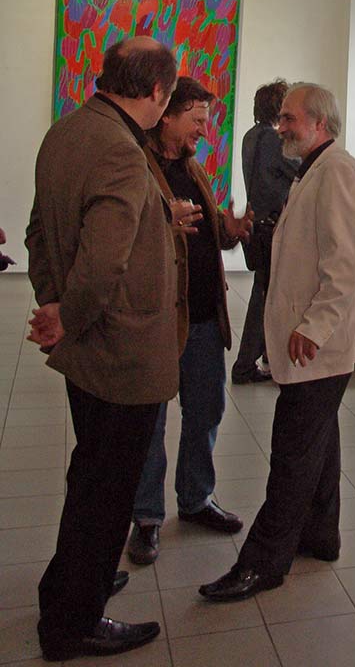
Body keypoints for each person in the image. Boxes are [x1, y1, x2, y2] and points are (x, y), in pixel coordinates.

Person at [25, 36, 180, 661]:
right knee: (107, 490)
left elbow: (38, 231)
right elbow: (104, 261)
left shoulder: (65, 131)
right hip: (119, 352)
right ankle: (74, 622)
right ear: (157, 93)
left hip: (89, 350)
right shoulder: (119, 148)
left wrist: (53, 302)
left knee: (90, 474)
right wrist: (67, 314)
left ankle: (69, 584)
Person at [198, 83, 355, 602]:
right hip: (310, 343)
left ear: (319, 122)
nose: (281, 127)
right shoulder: (313, 168)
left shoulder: (338, 171)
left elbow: (345, 265)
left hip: (319, 344)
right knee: (319, 441)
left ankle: (263, 562)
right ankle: (321, 536)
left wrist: (314, 327)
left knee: (292, 452)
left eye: (290, 118)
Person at [126, 76, 252, 564]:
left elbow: (206, 227)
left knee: (206, 412)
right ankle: (146, 517)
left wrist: (228, 229)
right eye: (197, 119)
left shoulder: (191, 166)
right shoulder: (137, 166)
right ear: (168, 116)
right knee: (151, 422)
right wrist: (163, 222)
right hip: (157, 320)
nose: (204, 129)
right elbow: (124, 233)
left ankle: (196, 499)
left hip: (202, 318)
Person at [231, 79, 298, 385]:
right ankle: (246, 364)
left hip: (257, 225)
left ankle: (265, 358)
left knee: (264, 292)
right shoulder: (272, 139)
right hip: (271, 227)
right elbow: (299, 170)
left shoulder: (250, 135)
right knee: (266, 298)